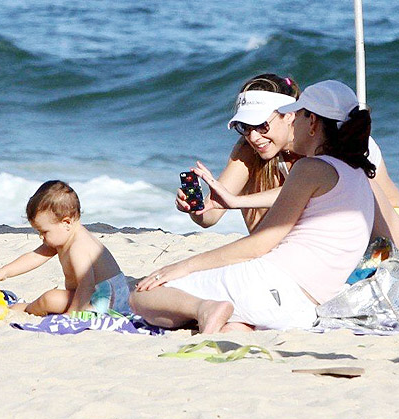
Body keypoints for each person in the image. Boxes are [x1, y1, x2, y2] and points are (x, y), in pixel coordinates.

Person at [131, 80, 376, 333]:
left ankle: (203, 308)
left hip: (272, 286)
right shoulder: (359, 174)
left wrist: (182, 266)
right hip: (303, 310)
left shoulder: (310, 169)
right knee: (234, 323)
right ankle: (228, 324)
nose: (294, 122)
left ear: (312, 122)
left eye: (299, 116)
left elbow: (260, 244)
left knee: (143, 296)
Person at [176, 74, 399, 259]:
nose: (254, 136)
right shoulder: (250, 149)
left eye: (262, 125)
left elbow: (302, 188)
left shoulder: (332, 139)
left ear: (289, 115)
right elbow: (212, 214)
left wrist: (236, 201)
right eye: (244, 127)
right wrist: (196, 208)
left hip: (391, 230)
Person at [0, 180, 130, 317]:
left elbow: (87, 285)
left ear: (66, 222)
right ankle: (23, 308)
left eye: (44, 231)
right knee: (52, 299)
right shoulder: (65, 236)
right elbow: (35, 256)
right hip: (89, 296)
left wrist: (70, 316)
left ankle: (25, 308)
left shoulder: (78, 247)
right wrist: (4, 272)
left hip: (107, 303)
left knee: (49, 299)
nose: (41, 237)